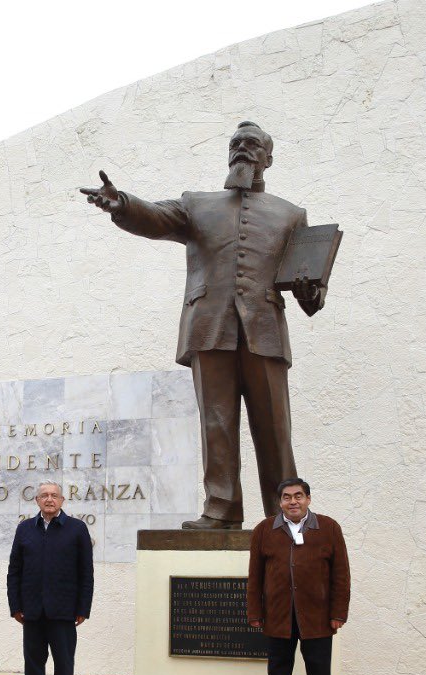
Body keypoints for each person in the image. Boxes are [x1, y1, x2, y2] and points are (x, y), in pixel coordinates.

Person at [81, 121, 318, 530]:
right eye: (236, 143)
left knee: (274, 429)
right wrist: (121, 203)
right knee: (216, 422)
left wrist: (309, 292)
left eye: (252, 144)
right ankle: (222, 509)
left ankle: (285, 515)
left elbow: (310, 293)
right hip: (210, 329)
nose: (242, 149)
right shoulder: (197, 205)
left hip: (264, 332)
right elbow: (155, 217)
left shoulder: (291, 215)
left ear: (268, 158)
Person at [247, 478, 349, 675]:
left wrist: (338, 612)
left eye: (299, 496)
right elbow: (255, 576)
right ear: (279, 502)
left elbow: (341, 574)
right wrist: (255, 612)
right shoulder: (264, 530)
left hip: (317, 619)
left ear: (308, 499)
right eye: (287, 497)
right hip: (278, 618)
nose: (293, 502)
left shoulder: (328, 528)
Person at [6, 481, 93, 675]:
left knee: (64, 663)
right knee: (33, 663)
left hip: (64, 611)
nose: (49, 499)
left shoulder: (76, 529)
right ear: (37, 501)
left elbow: (86, 573)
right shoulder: (25, 530)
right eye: (44, 495)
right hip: (32, 611)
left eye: (54, 495)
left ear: (62, 500)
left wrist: (82, 608)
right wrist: (15, 606)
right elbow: (15, 571)